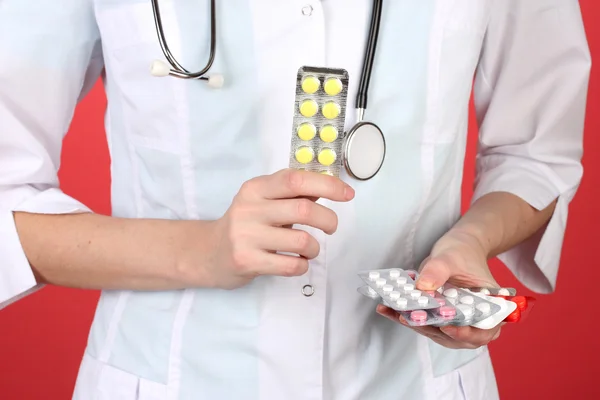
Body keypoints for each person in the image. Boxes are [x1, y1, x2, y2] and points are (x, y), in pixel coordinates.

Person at [0, 1, 591, 399]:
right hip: (169, 379)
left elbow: (538, 154)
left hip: (417, 381)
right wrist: (200, 250)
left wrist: (470, 241)